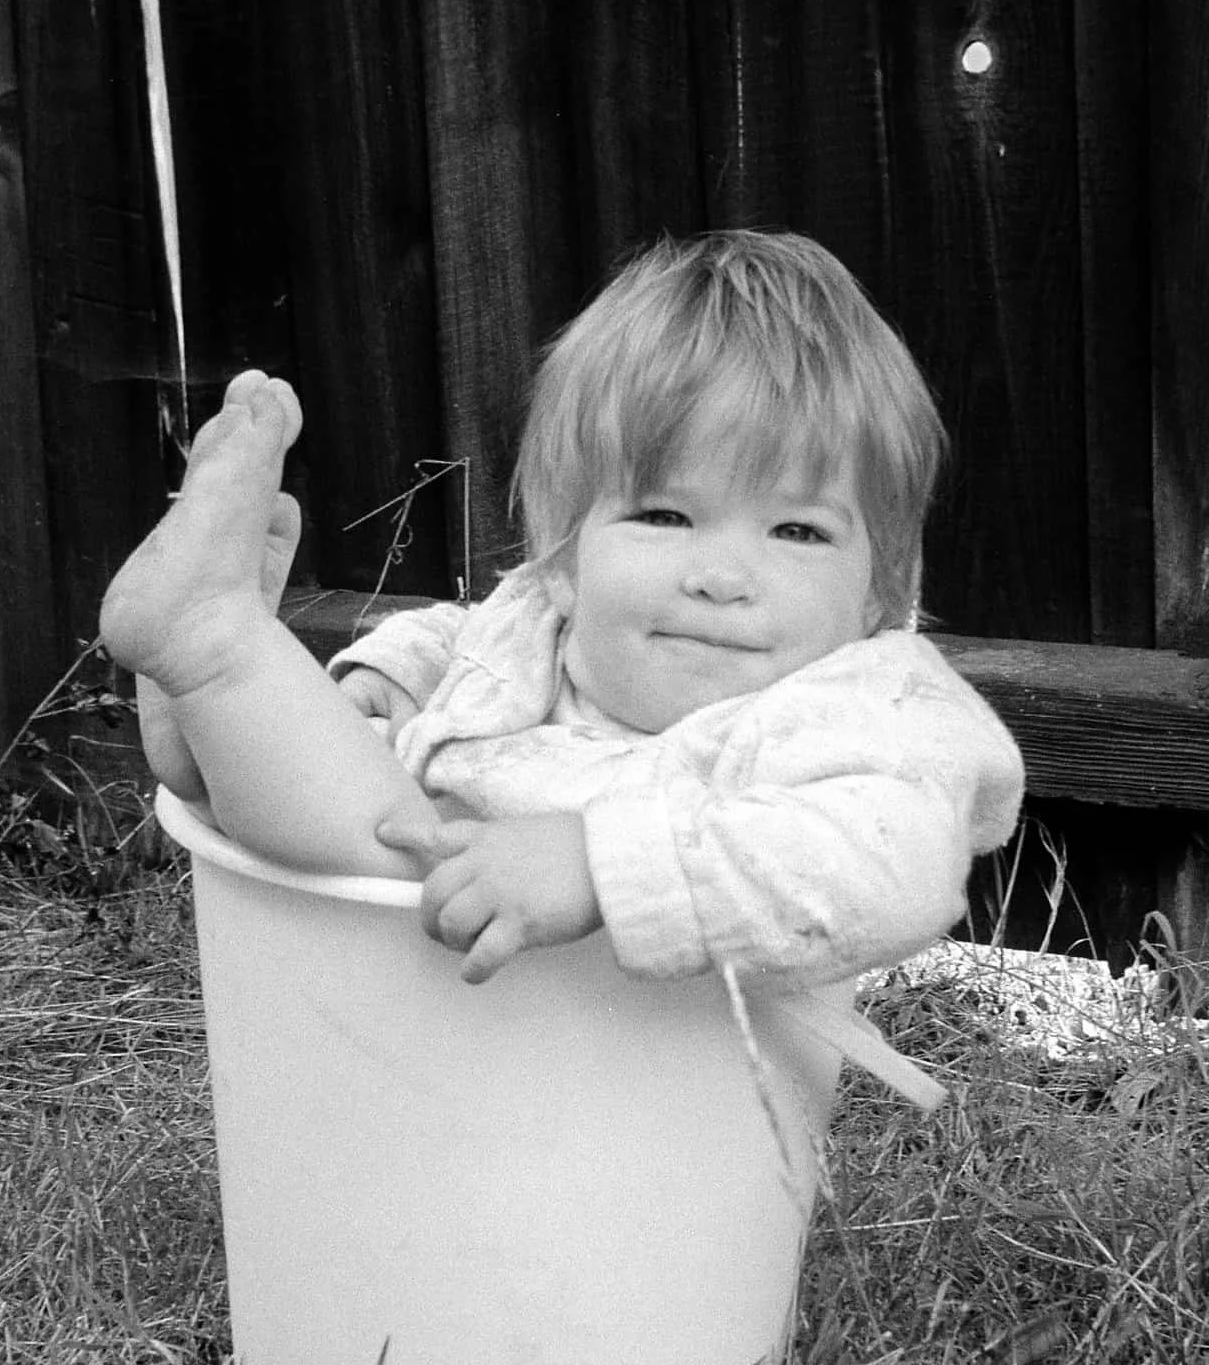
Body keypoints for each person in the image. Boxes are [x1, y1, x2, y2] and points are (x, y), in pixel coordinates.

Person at [100, 230, 1023, 989]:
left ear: (881, 595)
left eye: (797, 532)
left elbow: (892, 867)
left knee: (381, 843)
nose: (721, 576)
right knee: (343, 780)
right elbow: (476, 637)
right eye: (664, 515)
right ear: (567, 556)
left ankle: (219, 655)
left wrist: (601, 867)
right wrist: (393, 677)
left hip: (590, 1060)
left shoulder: (871, 708)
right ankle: (214, 710)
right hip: (402, 1015)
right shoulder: (554, 619)